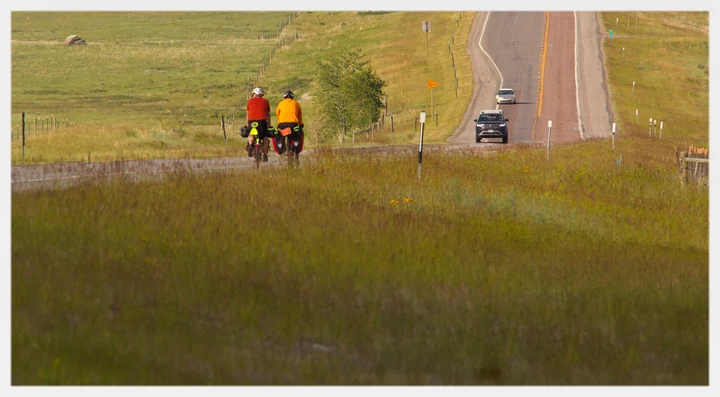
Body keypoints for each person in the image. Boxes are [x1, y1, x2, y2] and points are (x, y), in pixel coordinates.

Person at [274, 90, 304, 158]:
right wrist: (300, 124)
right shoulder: (296, 103)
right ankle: (295, 148)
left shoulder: (280, 103)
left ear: (284, 97)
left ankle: (281, 148)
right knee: (298, 135)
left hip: (282, 125)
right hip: (293, 124)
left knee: (280, 134)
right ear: (292, 97)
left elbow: (277, 114)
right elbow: (299, 115)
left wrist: (279, 122)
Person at [245, 87, 271, 161]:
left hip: (252, 121)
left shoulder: (249, 101)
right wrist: (269, 124)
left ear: (255, 94)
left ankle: (250, 145)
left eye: (253, 94)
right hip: (262, 121)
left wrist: (247, 124)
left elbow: (248, 114)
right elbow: (268, 114)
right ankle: (265, 154)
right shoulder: (266, 101)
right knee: (265, 137)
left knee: (251, 133)